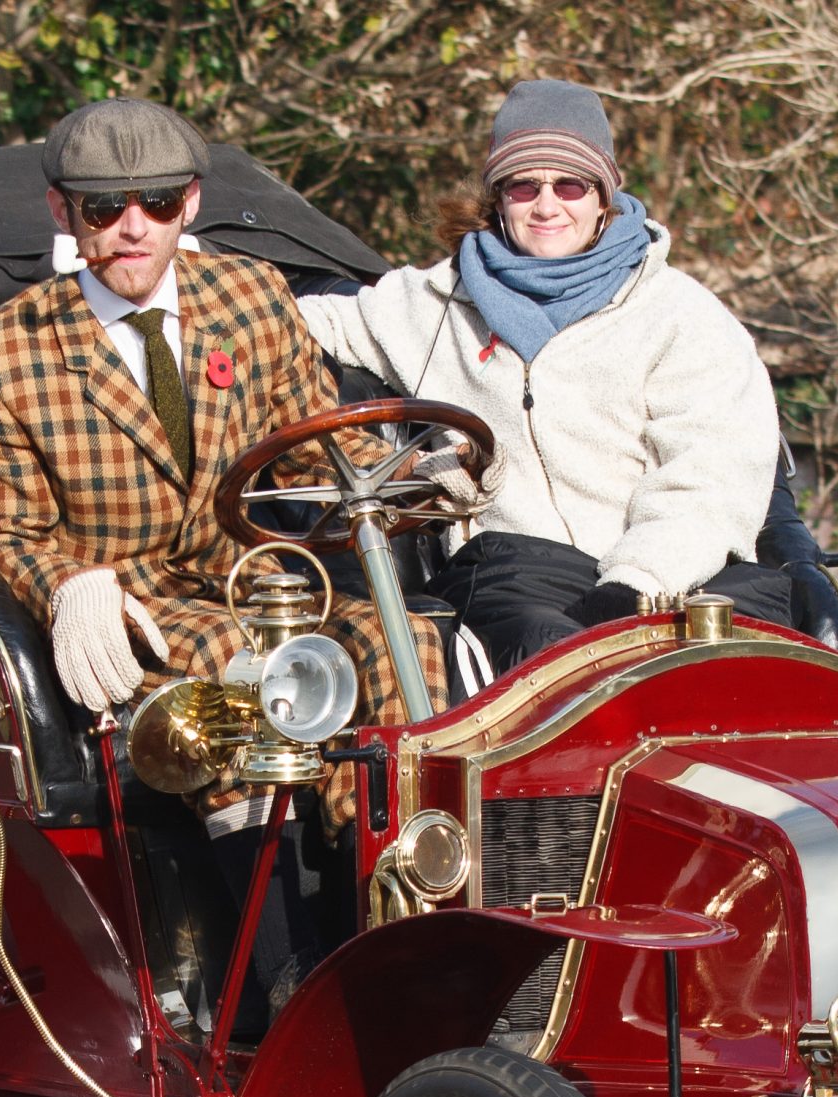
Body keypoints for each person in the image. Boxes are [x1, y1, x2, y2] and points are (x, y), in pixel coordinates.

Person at [0, 97, 446, 1016]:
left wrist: (413, 479)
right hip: (129, 609)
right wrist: (68, 589)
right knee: (235, 675)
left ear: (191, 203)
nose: (134, 228)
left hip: (258, 583)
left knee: (404, 643)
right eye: (103, 209)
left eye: (159, 203)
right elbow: (4, 527)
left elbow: (312, 446)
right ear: (62, 214)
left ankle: (413, 920)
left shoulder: (247, 297)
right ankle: (287, 985)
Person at [297, 78, 786, 672]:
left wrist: (635, 584)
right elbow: (303, 320)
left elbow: (712, 479)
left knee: (750, 653)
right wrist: (181, 277)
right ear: (499, 197)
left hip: (669, 572)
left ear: (603, 195)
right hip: (515, 570)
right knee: (551, 661)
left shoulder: (683, 316)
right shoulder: (431, 302)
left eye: (570, 185)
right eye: (525, 185)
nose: (547, 205)